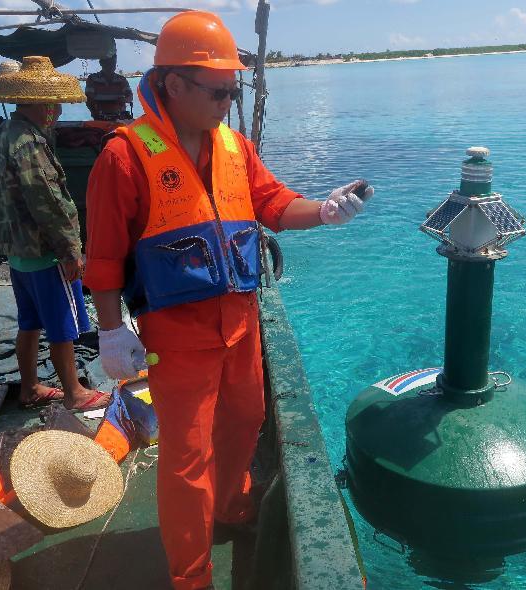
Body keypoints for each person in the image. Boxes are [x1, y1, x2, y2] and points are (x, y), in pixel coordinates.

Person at [83, 10, 373, 590]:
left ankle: (232, 506)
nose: (227, 99)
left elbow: (272, 204)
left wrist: (325, 210)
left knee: (246, 419)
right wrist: (112, 333)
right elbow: (105, 257)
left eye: (232, 88)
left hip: (239, 322)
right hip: (176, 334)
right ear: (172, 82)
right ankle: (191, 577)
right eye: (218, 89)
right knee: (186, 461)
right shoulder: (125, 155)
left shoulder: (235, 146)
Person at [0, 56, 111, 411]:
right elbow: (49, 203)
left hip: (19, 253)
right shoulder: (29, 143)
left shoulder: (0, 135)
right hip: (45, 253)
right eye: (55, 105)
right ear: (43, 104)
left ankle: (29, 387)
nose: (57, 112)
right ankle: (75, 393)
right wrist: (71, 251)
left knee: (29, 323)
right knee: (63, 326)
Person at [84, 53, 133, 121]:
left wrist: (125, 100)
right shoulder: (92, 78)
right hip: (100, 118)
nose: (111, 65)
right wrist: (96, 115)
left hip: (120, 118)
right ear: (101, 63)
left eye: (113, 62)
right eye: (108, 62)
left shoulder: (122, 79)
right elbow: (89, 99)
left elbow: (130, 96)